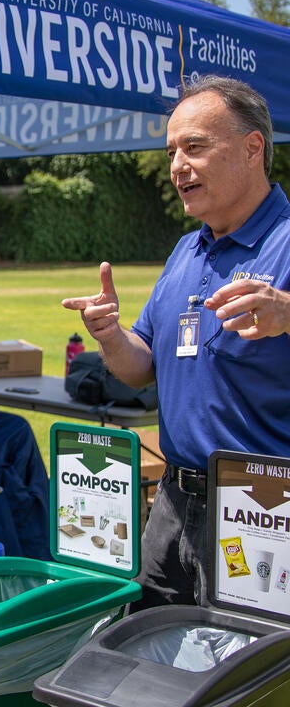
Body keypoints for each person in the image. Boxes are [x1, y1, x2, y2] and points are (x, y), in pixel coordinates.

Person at [62, 75, 290, 610]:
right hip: (171, 500)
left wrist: (287, 314)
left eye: (194, 147)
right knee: (150, 658)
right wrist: (111, 335)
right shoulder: (188, 249)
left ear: (252, 147)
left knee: (241, 678)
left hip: (258, 510)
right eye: (171, 152)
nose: (177, 166)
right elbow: (140, 367)